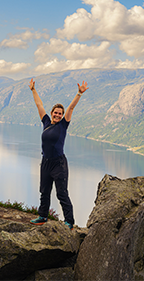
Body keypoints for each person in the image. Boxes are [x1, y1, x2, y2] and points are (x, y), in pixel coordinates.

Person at [28, 78, 89, 230]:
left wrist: (79, 94)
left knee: (61, 193)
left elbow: (71, 108)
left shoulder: (63, 125)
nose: (57, 115)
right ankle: (42, 216)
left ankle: (69, 221)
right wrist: (33, 90)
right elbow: (39, 104)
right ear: (52, 113)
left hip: (59, 164)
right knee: (44, 191)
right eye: (56, 113)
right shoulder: (46, 122)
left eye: (60, 114)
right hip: (46, 162)